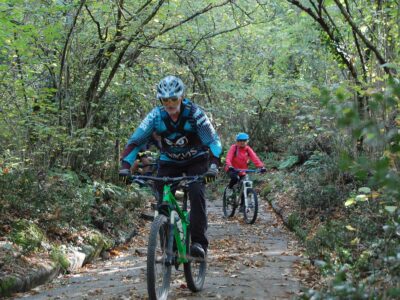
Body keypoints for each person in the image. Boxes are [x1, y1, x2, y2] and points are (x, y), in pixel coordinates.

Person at [119, 75, 222, 258]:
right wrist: (125, 166)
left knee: (197, 193)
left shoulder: (194, 114)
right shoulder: (155, 116)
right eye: (165, 99)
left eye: (173, 98)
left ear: (181, 96)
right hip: (169, 161)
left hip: (196, 160)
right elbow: (135, 142)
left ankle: (198, 243)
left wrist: (213, 166)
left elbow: (213, 141)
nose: (170, 103)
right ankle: (169, 245)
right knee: (162, 199)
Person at [224, 133, 266, 205]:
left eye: (244, 140)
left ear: (247, 141)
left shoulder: (248, 149)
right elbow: (228, 158)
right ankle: (229, 189)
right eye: (240, 140)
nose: (242, 142)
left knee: (245, 185)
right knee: (235, 178)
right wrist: (230, 166)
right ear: (237, 141)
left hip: (243, 171)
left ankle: (243, 205)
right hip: (232, 169)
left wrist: (261, 167)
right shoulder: (234, 148)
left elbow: (255, 158)